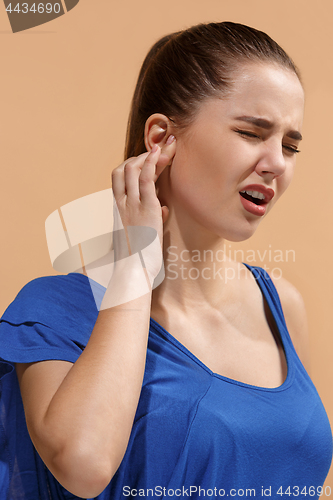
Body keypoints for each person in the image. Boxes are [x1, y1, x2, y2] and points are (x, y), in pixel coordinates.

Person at [0, 21, 332, 500]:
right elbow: (85, 463)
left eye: (290, 145)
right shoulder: (53, 313)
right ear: (159, 138)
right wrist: (134, 264)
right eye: (250, 132)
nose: (277, 162)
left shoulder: (280, 306)